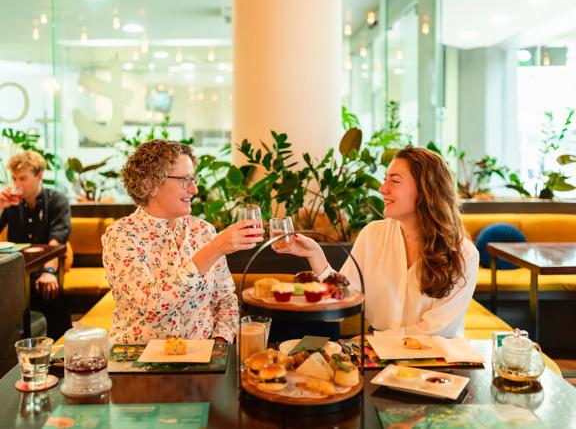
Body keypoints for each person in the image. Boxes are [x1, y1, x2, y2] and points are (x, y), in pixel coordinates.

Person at [274, 146, 479, 338]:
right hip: (378, 355)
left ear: (426, 190)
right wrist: (315, 255)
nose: (382, 189)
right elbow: (343, 302)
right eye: (384, 179)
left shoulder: (463, 254)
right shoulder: (373, 234)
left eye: (395, 181)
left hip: (438, 365)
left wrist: (371, 342)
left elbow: (435, 332)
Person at [102, 139, 264, 344]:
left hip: (203, 358)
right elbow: (154, 305)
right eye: (185, 180)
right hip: (137, 362)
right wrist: (215, 249)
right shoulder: (121, 236)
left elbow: (225, 300)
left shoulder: (203, 230)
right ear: (151, 184)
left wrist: (219, 344)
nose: (195, 190)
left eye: (194, 179)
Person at [0, 151, 72, 339]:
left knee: (52, 294)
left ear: (39, 176)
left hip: (46, 268)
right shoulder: (11, 204)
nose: (17, 184)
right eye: (14, 178)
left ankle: (60, 349)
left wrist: (49, 272)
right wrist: (0, 207)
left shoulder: (57, 200)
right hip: (15, 270)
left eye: (23, 178)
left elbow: (57, 241)